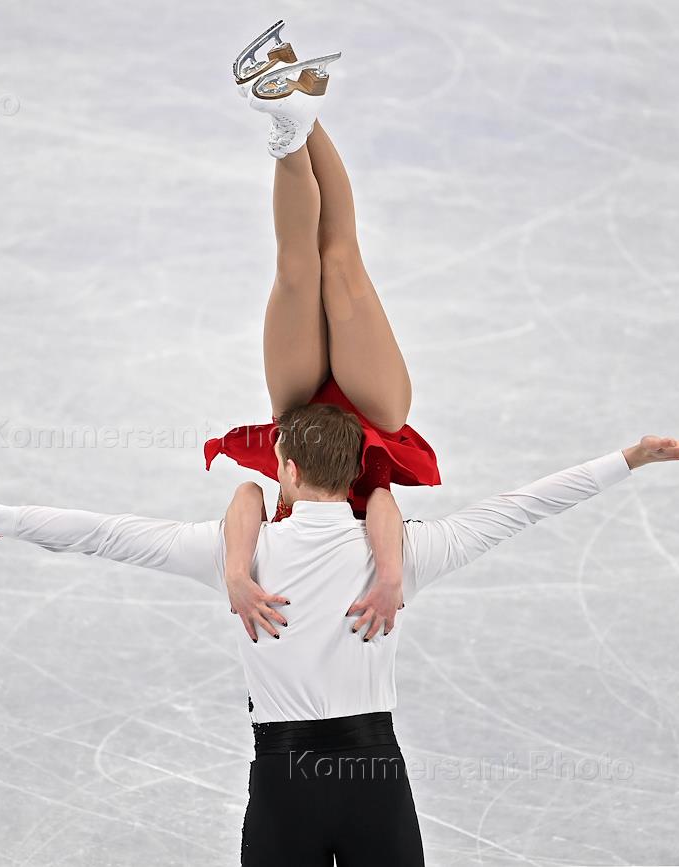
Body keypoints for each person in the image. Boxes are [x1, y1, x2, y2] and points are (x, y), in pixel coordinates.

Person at [0, 412, 679, 866]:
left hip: (284, 781)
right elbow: (520, 507)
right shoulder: (398, 554)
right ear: (357, 472)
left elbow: (106, 533)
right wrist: (630, 457)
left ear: (286, 470)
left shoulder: (242, 555)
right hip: (376, 779)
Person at [207, 22, 439, 646]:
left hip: (299, 416)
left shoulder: (269, 556)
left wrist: (237, 573)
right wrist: (389, 575)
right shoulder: (362, 563)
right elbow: (381, 500)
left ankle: (293, 120)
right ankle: (293, 107)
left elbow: (247, 495)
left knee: (296, 271)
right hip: (375, 418)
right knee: (339, 263)